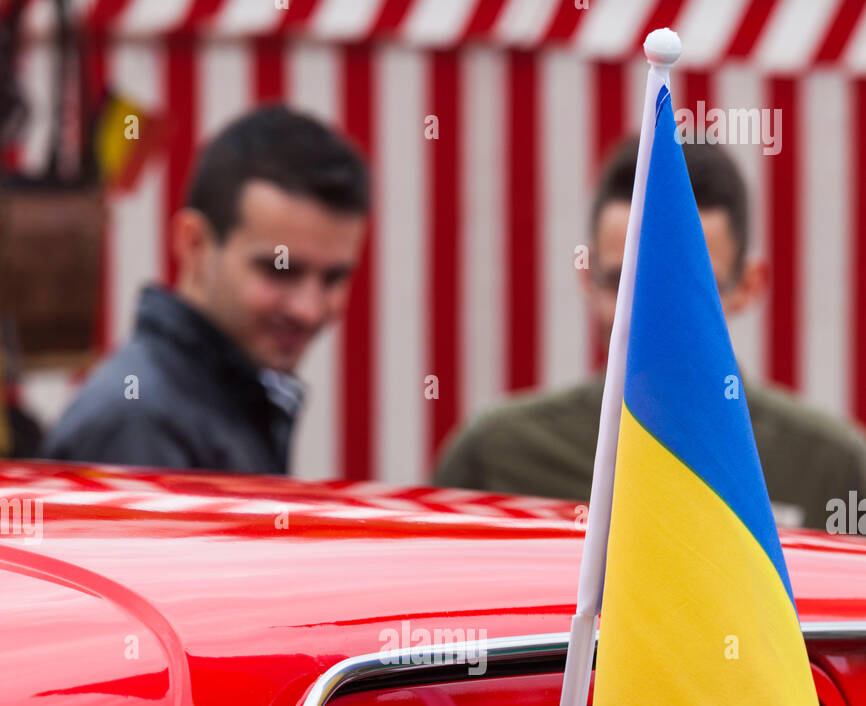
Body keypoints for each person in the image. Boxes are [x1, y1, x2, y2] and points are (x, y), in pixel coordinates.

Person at [434, 136, 866, 530]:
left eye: (691, 287)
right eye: (624, 283)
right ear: (587, 278)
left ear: (749, 285)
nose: (652, 316)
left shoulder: (831, 469)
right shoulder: (494, 457)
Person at [44, 105, 369, 474]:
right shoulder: (140, 421)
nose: (307, 309)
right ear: (194, 244)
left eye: (333, 278)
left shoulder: (203, 402)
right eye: (280, 270)